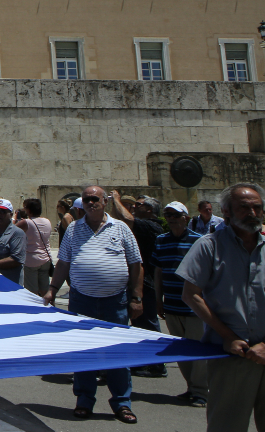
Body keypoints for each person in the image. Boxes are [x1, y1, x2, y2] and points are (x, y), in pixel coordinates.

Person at [42, 185, 142, 424]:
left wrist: (137, 298)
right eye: (86, 199)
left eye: (94, 199)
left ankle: (122, 403)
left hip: (115, 301)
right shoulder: (73, 229)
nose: (90, 203)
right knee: (84, 351)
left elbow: (136, 264)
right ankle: (84, 401)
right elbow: (64, 263)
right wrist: (52, 289)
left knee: (118, 352)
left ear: (105, 201)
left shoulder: (121, 228)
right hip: (82, 300)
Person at [177, 182, 265, 432]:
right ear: (226, 211)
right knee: (227, 425)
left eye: (257, 207)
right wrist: (228, 337)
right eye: (244, 207)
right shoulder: (209, 245)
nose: (252, 213)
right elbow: (191, 295)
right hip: (231, 355)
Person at [150, 201, 206, 408]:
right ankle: (191, 387)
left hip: (194, 307)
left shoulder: (199, 241)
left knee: (197, 350)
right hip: (172, 304)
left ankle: (201, 391)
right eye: (168, 215)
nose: (171, 218)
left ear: (186, 218)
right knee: (180, 351)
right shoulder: (161, 240)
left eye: (175, 215)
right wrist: (158, 299)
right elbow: (158, 271)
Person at [111, 191, 167, 377]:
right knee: (139, 323)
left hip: (147, 282)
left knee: (148, 323)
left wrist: (117, 200)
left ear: (150, 210)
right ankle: (144, 361)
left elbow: (126, 219)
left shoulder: (151, 225)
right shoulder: (143, 225)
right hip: (137, 281)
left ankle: (158, 365)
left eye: (139, 204)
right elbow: (120, 219)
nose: (135, 206)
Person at [17, 198, 54, 297]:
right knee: (45, 289)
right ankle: (49, 304)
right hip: (46, 258)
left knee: (31, 291)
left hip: (31, 259)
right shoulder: (47, 221)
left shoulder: (27, 222)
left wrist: (16, 217)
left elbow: (11, 230)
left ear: (29, 210)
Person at [0, 199, 26, 283]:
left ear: (10, 215)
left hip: (9, 282)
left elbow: (17, 259)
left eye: (3, 212)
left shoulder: (17, 233)